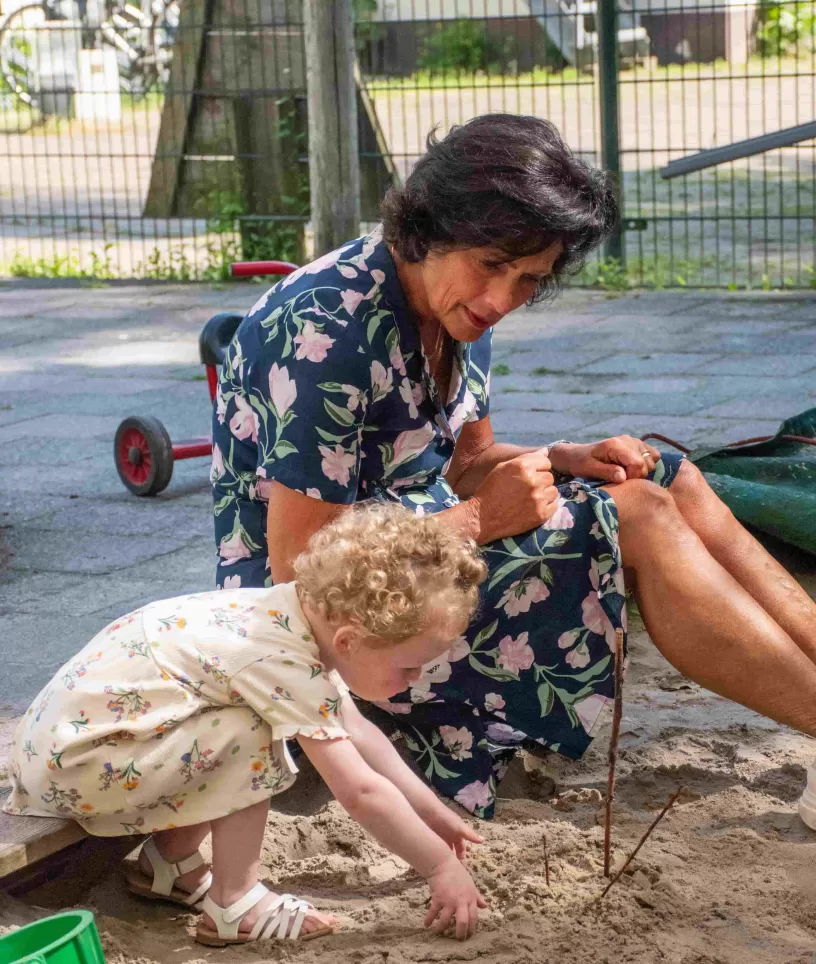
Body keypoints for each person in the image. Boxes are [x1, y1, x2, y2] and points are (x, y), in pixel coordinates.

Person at [211, 112, 816, 819]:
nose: (503, 300)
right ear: (429, 227)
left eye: (530, 279)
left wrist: (561, 460)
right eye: (492, 265)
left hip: (413, 549)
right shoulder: (329, 333)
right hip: (325, 624)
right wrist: (473, 521)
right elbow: (300, 571)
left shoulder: (449, 305)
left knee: (663, 476)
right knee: (639, 517)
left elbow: (464, 461)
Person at [3, 505, 489, 945]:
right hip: (79, 767)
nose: (415, 679)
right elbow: (359, 791)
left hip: (71, 749)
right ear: (349, 639)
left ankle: (168, 864)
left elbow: (361, 734)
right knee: (251, 730)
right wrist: (439, 866)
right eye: (409, 667)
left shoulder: (293, 616)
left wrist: (430, 813)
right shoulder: (279, 661)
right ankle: (235, 904)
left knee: (231, 723)